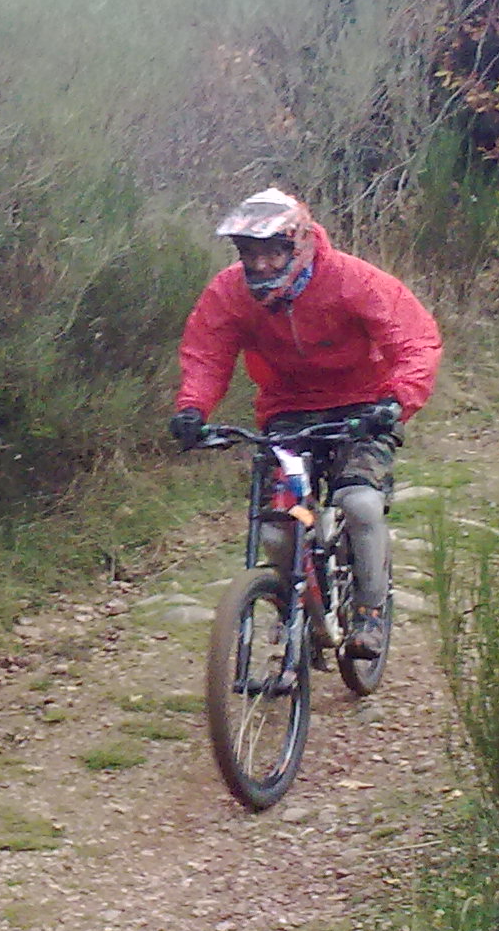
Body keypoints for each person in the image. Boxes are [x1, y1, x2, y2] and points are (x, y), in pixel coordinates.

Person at [168, 187, 442, 660]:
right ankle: (306, 612)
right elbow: (207, 351)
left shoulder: (352, 280)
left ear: (299, 244)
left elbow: (414, 340)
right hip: (288, 412)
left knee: (359, 502)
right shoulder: (230, 291)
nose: (261, 266)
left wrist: (396, 401)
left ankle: (370, 613)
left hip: (362, 408)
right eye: (250, 254)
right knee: (281, 528)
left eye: (273, 252)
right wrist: (193, 409)